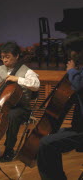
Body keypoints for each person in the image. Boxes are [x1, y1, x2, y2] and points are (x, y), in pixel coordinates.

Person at [37, 39, 83, 180]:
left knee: (46, 144)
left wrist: (72, 71)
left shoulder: (77, 74)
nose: (70, 57)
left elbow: (79, 84)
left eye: (73, 54)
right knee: (47, 140)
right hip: (79, 127)